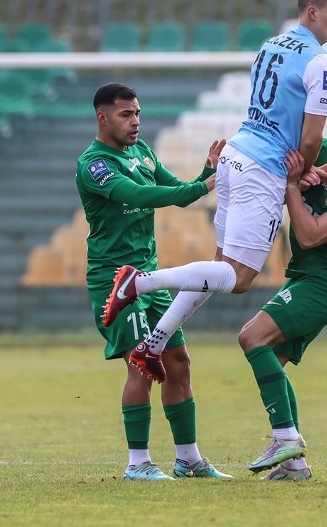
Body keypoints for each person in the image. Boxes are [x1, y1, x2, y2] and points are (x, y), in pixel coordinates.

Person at [103, 0, 327, 383]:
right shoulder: (321, 62)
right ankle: (140, 282)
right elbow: (309, 137)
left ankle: (153, 344)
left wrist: (300, 169)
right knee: (238, 279)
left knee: (218, 267)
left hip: (236, 156)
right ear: (312, 12)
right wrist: (303, 171)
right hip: (262, 170)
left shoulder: (272, 44)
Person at [76, 82, 232, 481]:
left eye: (138, 113)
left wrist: (206, 174)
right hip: (115, 280)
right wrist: (204, 186)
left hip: (151, 276)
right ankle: (138, 464)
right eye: (126, 114)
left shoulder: (143, 153)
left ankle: (189, 459)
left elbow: (175, 194)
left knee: (178, 362)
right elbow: (140, 195)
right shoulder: (93, 164)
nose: (135, 122)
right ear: (103, 117)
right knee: (142, 366)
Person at [239, 109, 327, 480]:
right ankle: (294, 464)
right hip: (306, 276)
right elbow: (274, 165)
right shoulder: (319, 149)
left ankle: (286, 438)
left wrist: (293, 186)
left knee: (251, 337)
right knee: (271, 356)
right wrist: (304, 175)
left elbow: (309, 235)